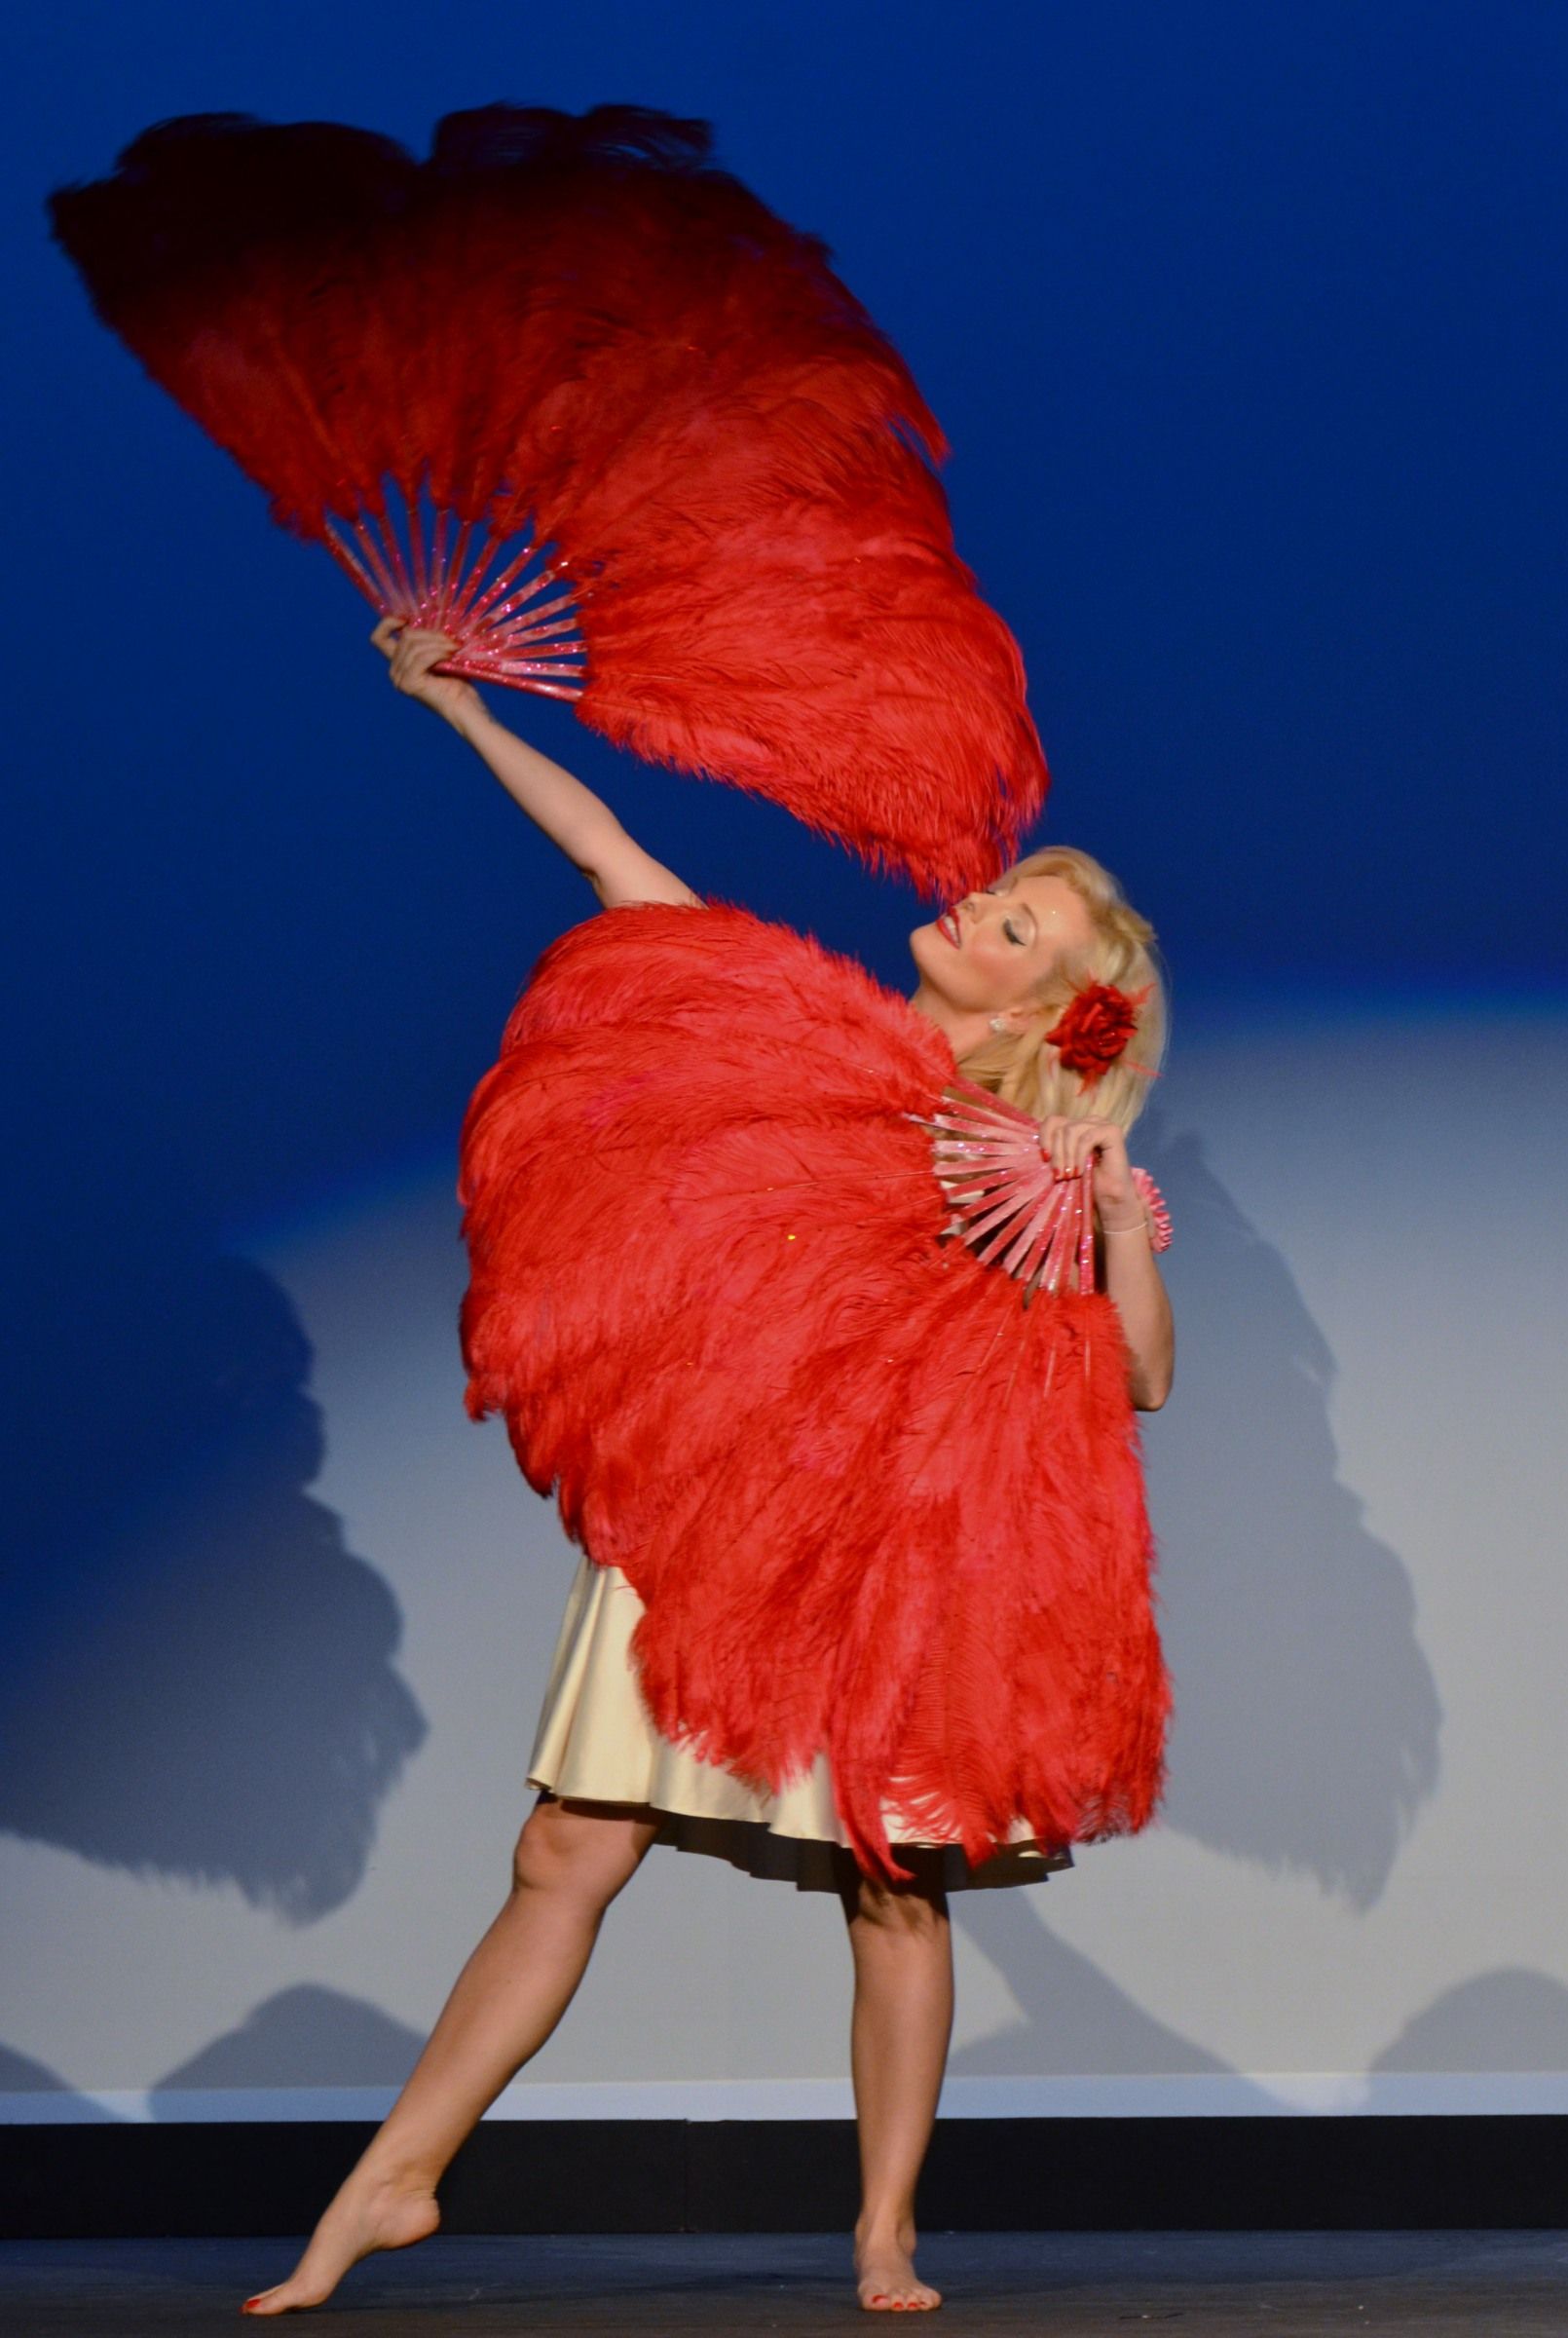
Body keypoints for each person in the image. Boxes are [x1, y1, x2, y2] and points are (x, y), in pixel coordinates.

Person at [241, 622, 1176, 2319]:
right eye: (996, 892)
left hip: (878, 1560)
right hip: (723, 1527)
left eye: (1012, 923)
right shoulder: (801, 1035)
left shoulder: (1021, 1161)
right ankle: (391, 2182)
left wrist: (1119, 1230)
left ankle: (883, 2230)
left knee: (892, 1895)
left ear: (1042, 1004)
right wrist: (455, 700)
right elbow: (615, 861)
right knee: (562, 1856)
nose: (973, 904)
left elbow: (1129, 1382)